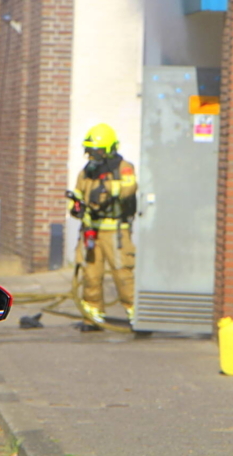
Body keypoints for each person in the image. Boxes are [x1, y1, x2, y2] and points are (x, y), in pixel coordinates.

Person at [70, 123, 137, 327]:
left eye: (95, 150)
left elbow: (129, 187)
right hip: (91, 231)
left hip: (115, 231)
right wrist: (75, 206)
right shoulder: (86, 172)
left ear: (108, 149)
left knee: (122, 272)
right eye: (89, 150)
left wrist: (106, 190)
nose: (91, 155)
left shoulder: (123, 167)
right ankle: (92, 315)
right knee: (90, 273)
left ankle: (136, 313)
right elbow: (77, 194)